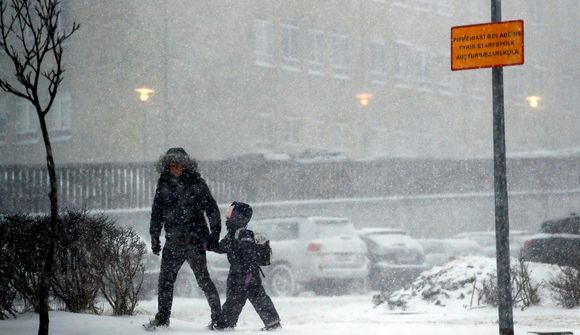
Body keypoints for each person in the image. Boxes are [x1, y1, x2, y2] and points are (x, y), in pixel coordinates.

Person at [144, 147, 222, 330]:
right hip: (173, 241)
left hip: (194, 241)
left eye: (178, 165)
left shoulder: (197, 183)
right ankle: (162, 319)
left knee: (203, 280)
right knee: (165, 282)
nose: (175, 169)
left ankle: (218, 319)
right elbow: (157, 214)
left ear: (185, 166)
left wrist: (215, 234)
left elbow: (211, 209)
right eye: (171, 166)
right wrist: (154, 237)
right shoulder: (163, 185)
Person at [213, 201, 281, 331]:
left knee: (241, 298)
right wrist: (206, 244)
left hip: (245, 274)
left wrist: (248, 275)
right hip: (238, 273)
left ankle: (225, 324)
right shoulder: (232, 235)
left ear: (237, 217)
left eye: (229, 215)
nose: (226, 218)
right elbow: (221, 247)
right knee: (242, 298)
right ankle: (272, 322)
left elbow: (249, 257)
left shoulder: (243, 235)